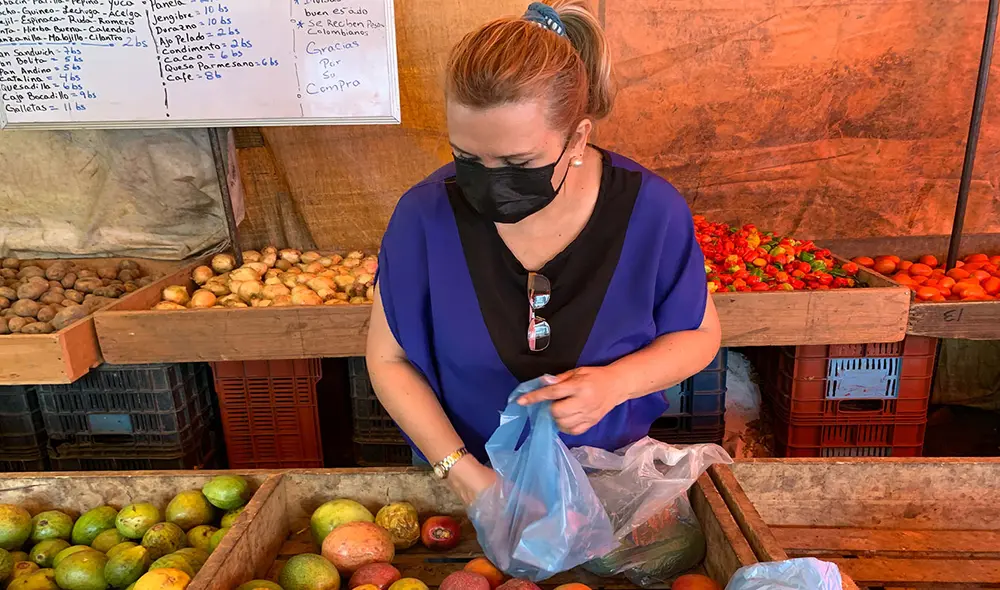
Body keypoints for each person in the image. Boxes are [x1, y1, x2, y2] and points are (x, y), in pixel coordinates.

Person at [366, 0, 721, 505]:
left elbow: (700, 335)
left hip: (607, 486)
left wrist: (615, 384)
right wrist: (466, 477)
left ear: (577, 138)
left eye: (518, 161)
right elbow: (388, 358)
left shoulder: (650, 211)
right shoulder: (424, 217)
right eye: (466, 157)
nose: (488, 180)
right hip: (464, 488)